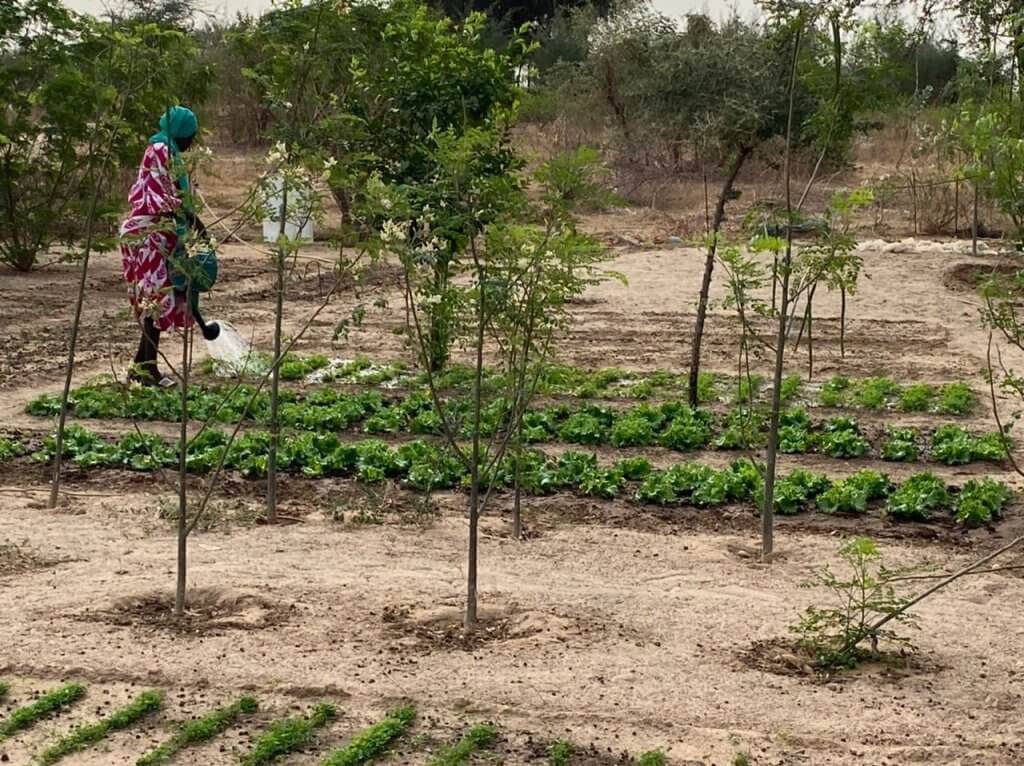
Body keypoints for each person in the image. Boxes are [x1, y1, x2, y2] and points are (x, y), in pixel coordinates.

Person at [120, 106, 208, 387]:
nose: (191, 142)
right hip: (148, 234)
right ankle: (149, 372)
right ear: (180, 132)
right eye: (190, 135)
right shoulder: (161, 149)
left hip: (156, 233)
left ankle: (141, 367)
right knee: (156, 301)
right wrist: (194, 221)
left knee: (156, 300)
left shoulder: (167, 149)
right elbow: (164, 195)